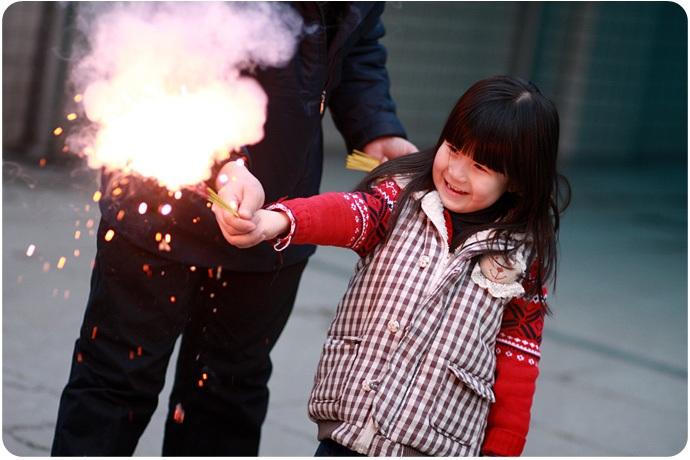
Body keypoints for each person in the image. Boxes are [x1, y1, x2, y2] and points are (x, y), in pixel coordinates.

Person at [51, 2, 417, 456]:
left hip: (277, 212)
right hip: (163, 198)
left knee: (227, 395)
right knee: (116, 379)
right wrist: (220, 158)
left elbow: (355, 45)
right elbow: (164, 38)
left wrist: (375, 130)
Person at [214, 76, 571, 456]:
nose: (456, 172)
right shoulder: (400, 198)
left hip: (435, 444)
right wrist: (278, 220)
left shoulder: (522, 260)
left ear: (517, 179)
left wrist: (501, 452)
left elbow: (518, 365)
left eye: (480, 165)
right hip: (350, 430)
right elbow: (348, 213)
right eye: (453, 148)